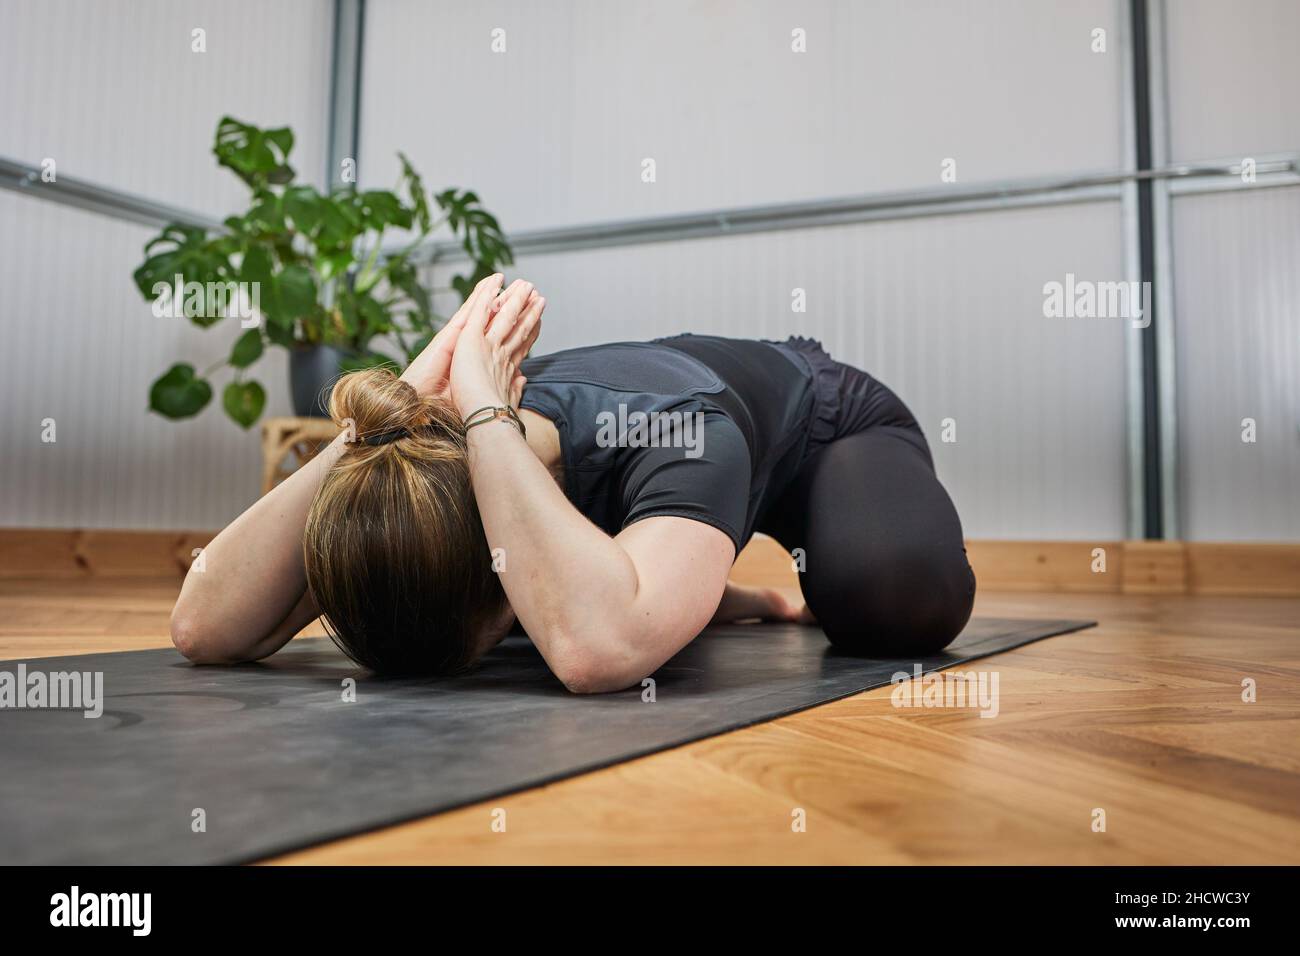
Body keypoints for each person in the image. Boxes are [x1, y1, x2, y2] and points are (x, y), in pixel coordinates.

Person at [170, 274, 975, 693]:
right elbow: (203, 626)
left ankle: (785, 568)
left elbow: (599, 650)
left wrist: (483, 407)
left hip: (824, 425)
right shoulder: (427, 462)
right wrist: (390, 410)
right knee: (556, 592)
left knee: (895, 597)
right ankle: (751, 602)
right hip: (616, 480)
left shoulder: (681, 431)